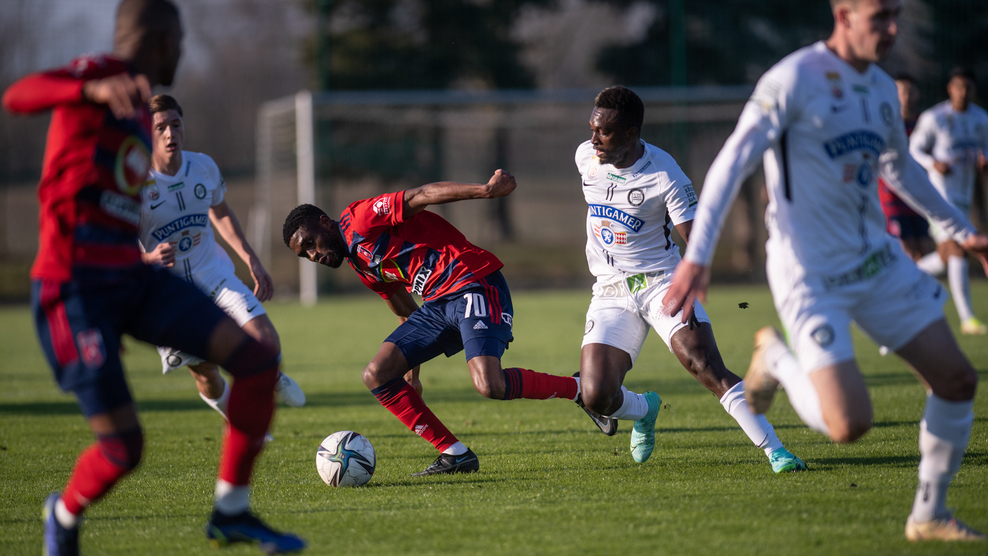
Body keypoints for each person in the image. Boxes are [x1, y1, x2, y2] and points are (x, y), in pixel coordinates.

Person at [663, 0, 988, 542]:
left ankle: (929, 514)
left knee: (957, 380)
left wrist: (962, 229)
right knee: (849, 424)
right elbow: (733, 161)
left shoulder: (881, 88)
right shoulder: (793, 79)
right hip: (809, 272)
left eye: (896, 15)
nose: (892, 28)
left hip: (876, 261)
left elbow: (900, 168)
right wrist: (698, 255)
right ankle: (776, 359)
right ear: (844, 15)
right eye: (879, 16)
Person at [1, 1, 305, 554]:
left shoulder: (143, 112)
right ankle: (63, 515)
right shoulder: (99, 74)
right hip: (74, 287)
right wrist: (88, 89)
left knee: (259, 360)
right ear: (164, 41)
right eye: (180, 42)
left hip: (131, 280)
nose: (183, 52)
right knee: (124, 448)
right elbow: (17, 96)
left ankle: (232, 512)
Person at [282, 172, 581, 476]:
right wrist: (412, 375)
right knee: (377, 374)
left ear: (324, 222)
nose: (313, 255)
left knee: (490, 385)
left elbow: (422, 195)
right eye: (305, 254)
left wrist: (486, 191)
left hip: (470, 281)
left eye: (310, 243)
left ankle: (580, 389)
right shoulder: (363, 268)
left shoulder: (359, 219)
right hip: (438, 305)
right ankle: (455, 454)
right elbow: (406, 313)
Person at [573, 86, 805, 472]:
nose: (594, 139)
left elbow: (697, 238)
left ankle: (777, 452)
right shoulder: (586, 157)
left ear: (631, 134)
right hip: (610, 289)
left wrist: (693, 281)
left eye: (604, 132)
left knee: (705, 365)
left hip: (662, 283)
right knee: (596, 395)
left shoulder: (665, 174)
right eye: (592, 129)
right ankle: (645, 409)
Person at [139, 94, 305, 423]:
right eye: (161, 127)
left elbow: (222, 212)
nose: (171, 133)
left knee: (266, 339)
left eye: (176, 124)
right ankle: (240, 421)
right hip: (169, 291)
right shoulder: (134, 183)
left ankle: (269, 378)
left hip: (213, 273)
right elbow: (117, 245)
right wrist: (150, 257)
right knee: (207, 373)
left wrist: (251, 260)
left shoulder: (203, 166)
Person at [910, 67, 988, 335]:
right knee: (957, 248)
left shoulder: (981, 118)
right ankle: (968, 319)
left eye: (968, 87)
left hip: (964, 195)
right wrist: (933, 163)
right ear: (950, 89)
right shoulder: (935, 117)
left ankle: (905, 273)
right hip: (938, 196)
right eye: (958, 87)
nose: (963, 92)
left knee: (946, 257)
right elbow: (914, 149)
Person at [878, 74, 934, 262]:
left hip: (920, 194)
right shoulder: (886, 121)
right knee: (906, 251)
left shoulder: (925, 124)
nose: (906, 96)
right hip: (893, 197)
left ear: (918, 94)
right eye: (901, 91)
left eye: (910, 91)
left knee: (925, 250)